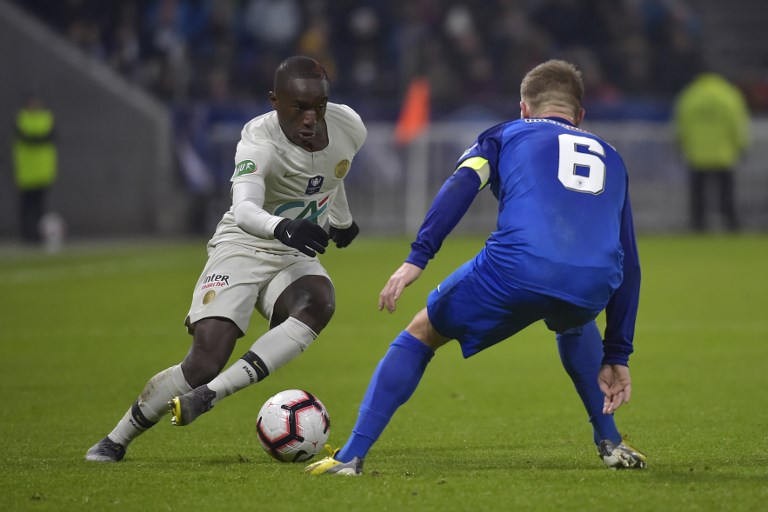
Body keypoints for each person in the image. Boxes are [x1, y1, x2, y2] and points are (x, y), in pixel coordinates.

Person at [306, 59, 646, 476]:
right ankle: (610, 440)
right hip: (594, 282)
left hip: (517, 267)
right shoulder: (613, 158)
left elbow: (462, 184)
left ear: (523, 107)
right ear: (580, 116)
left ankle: (350, 456)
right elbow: (629, 259)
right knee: (575, 323)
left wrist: (418, 256)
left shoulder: (506, 133)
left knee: (421, 332)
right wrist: (618, 352)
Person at [85, 55, 367, 462]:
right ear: (274, 101)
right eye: (299, 108)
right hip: (244, 245)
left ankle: (211, 396)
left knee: (319, 301)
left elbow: (333, 173)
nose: (311, 118)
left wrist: (342, 220)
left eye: (318, 107)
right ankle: (115, 439)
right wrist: (284, 227)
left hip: (292, 253)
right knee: (205, 359)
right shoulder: (258, 140)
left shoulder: (348, 127)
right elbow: (246, 209)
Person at [673, 71, 750, 232]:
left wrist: (679, 145)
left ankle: (698, 224)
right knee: (726, 193)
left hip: (697, 154)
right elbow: (738, 124)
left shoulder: (690, 95)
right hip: (724, 154)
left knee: (698, 194)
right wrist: (742, 146)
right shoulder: (729, 95)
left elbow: (681, 124)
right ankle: (730, 223)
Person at [12, 87, 58, 244]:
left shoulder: (47, 118)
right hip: (26, 172)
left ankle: (39, 235)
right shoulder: (21, 118)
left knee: (40, 207)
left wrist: (35, 139)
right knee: (26, 206)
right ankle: (26, 235)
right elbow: (28, 138)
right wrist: (38, 139)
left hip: (42, 172)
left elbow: (50, 137)